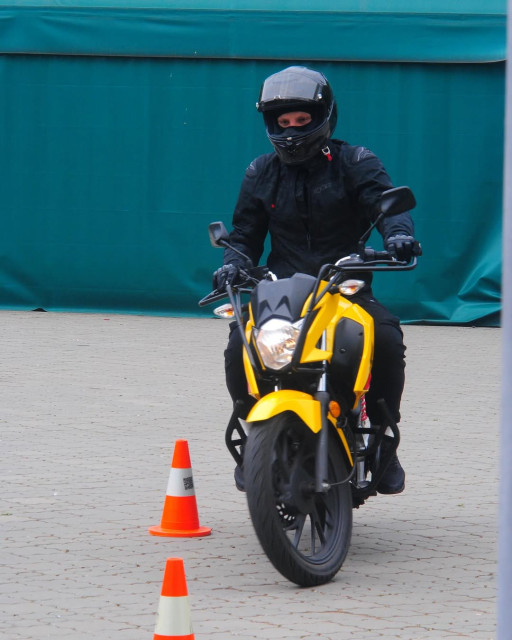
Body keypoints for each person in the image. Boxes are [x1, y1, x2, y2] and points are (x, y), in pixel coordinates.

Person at [212, 66, 421, 494]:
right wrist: (233, 262)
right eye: (283, 121)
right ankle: (255, 433)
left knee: (385, 338)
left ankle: (382, 437)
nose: (291, 130)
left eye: (301, 120)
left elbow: (386, 207)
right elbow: (245, 235)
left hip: (344, 288)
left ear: (323, 117)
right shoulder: (260, 172)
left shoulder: (356, 162)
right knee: (239, 345)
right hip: (281, 292)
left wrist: (398, 236)